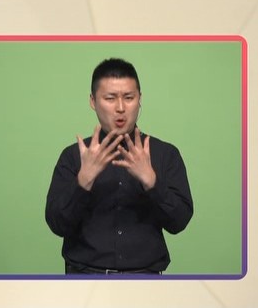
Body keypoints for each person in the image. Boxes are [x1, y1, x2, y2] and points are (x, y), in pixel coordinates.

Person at [45, 57, 194, 274]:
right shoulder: (73, 156)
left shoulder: (165, 154)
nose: (121, 108)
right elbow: (57, 225)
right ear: (93, 101)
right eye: (110, 98)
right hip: (83, 278)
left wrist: (152, 183)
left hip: (146, 280)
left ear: (140, 99)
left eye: (129, 97)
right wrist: (82, 182)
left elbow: (179, 222)